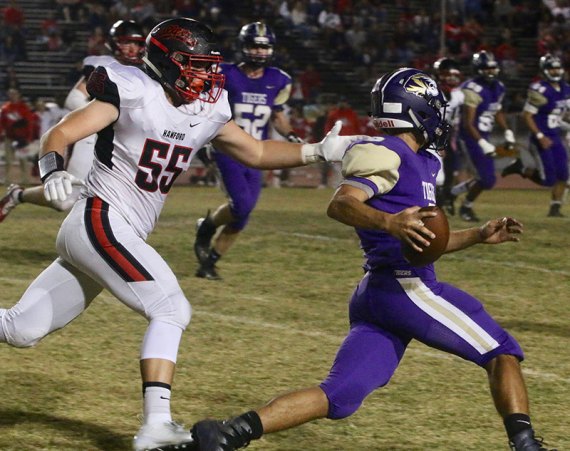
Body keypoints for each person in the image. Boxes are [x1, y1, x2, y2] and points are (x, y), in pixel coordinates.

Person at [152, 68, 555, 451]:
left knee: (339, 395)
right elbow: (342, 203)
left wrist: (477, 236)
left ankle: (226, 434)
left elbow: (424, 240)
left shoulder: (425, 161)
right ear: (419, 111)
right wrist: (388, 222)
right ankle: (527, 445)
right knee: (501, 351)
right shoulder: (387, 154)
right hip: (406, 288)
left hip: (379, 293)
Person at [0, 17, 349, 451]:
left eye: (208, 66)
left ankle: (156, 426)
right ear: (168, 63)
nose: (207, 75)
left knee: (21, 329)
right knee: (171, 309)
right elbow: (62, 132)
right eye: (196, 66)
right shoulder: (133, 91)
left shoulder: (208, 108)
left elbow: (256, 151)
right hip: (101, 217)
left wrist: (315, 151)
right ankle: (155, 427)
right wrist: (52, 168)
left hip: (113, 229)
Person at [0, 19, 145, 223]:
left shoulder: (145, 71)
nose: (133, 48)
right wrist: (104, 117)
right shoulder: (102, 64)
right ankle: (17, 196)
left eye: (138, 43)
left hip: (122, 139)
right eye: (127, 42)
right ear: (114, 43)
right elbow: (74, 98)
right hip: (92, 134)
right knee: (64, 200)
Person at [193, 22, 303, 281]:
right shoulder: (224, 73)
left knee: (243, 214)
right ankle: (207, 227)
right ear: (243, 47)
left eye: (264, 47)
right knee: (241, 205)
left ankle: (210, 261)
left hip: (258, 152)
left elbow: (276, 116)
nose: (260, 51)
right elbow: (205, 107)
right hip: (227, 148)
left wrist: (290, 135)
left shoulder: (279, 79)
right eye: (255, 45)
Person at [501, 54, 570, 217]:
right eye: (551, 68)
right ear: (545, 70)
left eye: (557, 67)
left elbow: (563, 114)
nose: (555, 71)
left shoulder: (566, 89)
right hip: (541, 138)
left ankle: (555, 207)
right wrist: (540, 136)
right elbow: (527, 115)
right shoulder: (540, 89)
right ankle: (521, 168)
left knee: (564, 175)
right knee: (549, 180)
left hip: (555, 136)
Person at [453, 51, 516, 222]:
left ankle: (452, 194)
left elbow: (497, 110)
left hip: (483, 135)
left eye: (492, 67)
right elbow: (468, 123)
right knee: (486, 178)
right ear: (478, 69)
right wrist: (482, 142)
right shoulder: (472, 89)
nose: (490, 71)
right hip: (468, 137)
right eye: (486, 68)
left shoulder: (499, 87)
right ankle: (465, 206)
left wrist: (507, 130)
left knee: (487, 179)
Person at [431, 57, 464, 215]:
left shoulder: (458, 95)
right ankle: (434, 206)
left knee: (451, 172)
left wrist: (451, 140)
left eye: (454, 75)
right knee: (438, 177)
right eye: (447, 75)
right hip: (430, 134)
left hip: (447, 134)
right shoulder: (430, 92)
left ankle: (444, 203)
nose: (451, 79)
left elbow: (454, 121)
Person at [0, 88, 35, 186]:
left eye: (14, 94)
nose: (12, 96)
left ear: (18, 95)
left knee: (23, 160)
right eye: (10, 94)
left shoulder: (24, 107)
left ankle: (25, 180)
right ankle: (7, 180)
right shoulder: (6, 108)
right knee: (8, 160)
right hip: (9, 137)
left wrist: (28, 137)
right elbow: (2, 123)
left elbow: (29, 123)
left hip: (21, 138)